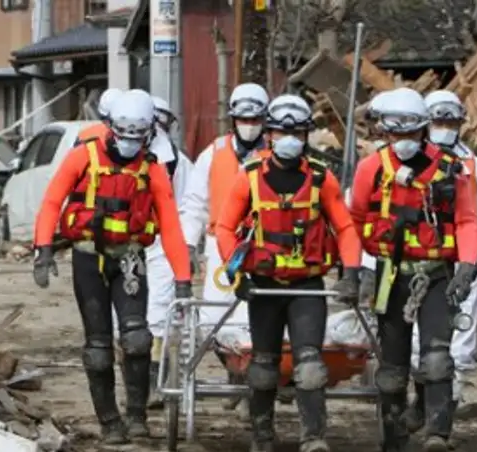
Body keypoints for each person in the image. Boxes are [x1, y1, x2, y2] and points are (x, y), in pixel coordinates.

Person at [32, 89, 192, 445]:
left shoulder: (152, 169)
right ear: (110, 128)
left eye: (139, 136)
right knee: (98, 346)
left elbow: (170, 225)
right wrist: (43, 249)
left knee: (137, 339)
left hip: (130, 259)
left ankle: (137, 416)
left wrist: (183, 278)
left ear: (149, 132)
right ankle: (109, 422)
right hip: (88, 257)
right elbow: (52, 201)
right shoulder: (82, 157)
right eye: (124, 134)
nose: (131, 143)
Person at [215, 94, 361, 452]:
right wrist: (238, 275)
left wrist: (352, 272)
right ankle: (262, 437)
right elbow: (224, 228)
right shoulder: (248, 177)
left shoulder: (321, 179)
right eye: (282, 131)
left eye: (297, 131)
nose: (290, 137)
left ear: (307, 134)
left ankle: (313, 438)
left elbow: (345, 228)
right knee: (263, 367)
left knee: (310, 365)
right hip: (264, 286)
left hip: (307, 286)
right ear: (270, 133)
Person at [351, 87, 477, 452]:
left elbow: (468, 221)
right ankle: (393, 436)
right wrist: (360, 267)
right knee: (392, 365)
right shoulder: (371, 169)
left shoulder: (452, 171)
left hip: (437, 272)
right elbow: (355, 220)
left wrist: (468, 265)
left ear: (423, 130)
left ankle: (437, 434)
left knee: (437, 358)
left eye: (410, 134)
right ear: (385, 133)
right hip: (390, 275)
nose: (402, 142)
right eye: (395, 135)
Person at [403, 89, 477, 434]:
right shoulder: (404, 166)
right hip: (416, 267)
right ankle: (421, 401)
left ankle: (443, 419)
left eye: (450, 121)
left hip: (462, 270)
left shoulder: (476, 170)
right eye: (439, 121)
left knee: (460, 344)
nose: (445, 128)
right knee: (414, 344)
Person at [179, 83, 272, 340]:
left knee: (252, 318)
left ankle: (250, 368)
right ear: (233, 119)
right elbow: (195, 203)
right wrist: (187, 245)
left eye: (255, 119)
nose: (249, 124)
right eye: (244, 119)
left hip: (264, 246)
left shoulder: (276, 155)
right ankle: (230, 359)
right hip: (221, 247)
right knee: (214, 319)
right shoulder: (214, 153)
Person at [144, 94, 194, 407]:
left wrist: (186, 250)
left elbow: (189, 206)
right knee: (128, 321)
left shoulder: (178, 161)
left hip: (164, 244)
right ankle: (138, 382)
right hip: (130, 244)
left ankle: (155, 383)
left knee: (160, 314)